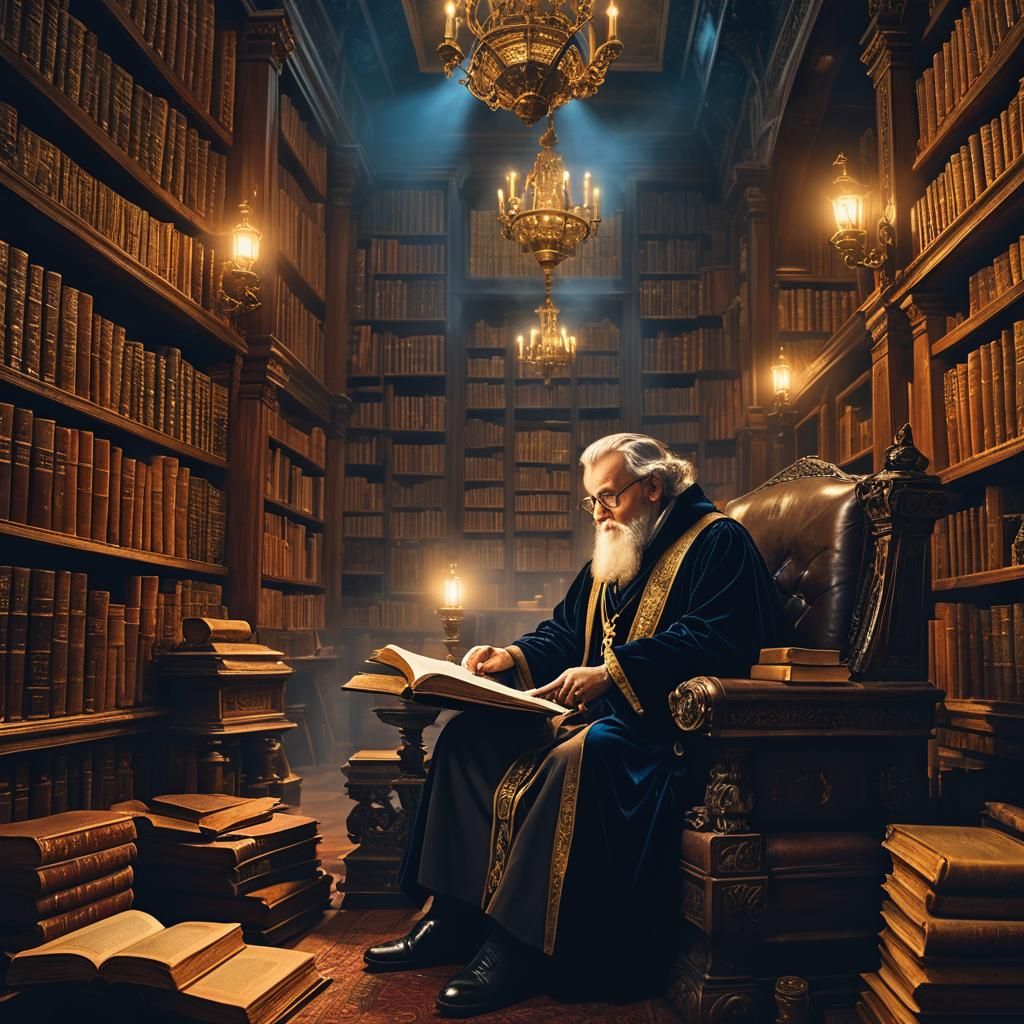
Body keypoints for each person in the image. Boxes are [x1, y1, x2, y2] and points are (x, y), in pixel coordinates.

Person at [363, 432, 788, 1017]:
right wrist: (511, 657)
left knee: (584, 754)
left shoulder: (718, 541)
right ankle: (454, 918)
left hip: (668, 739)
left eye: (609, 497)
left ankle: (518, 948)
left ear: (653, 487)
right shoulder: (617, 551)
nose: (599, 513)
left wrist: (613, 673)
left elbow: (718, 639)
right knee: (466, 738)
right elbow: (567, 631)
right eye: (592, 500)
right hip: (591, 721)